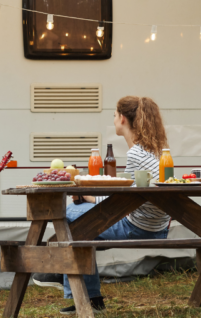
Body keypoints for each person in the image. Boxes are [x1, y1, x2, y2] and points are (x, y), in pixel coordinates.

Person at [36, 96, 171, 315]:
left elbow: (126, 201)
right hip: (157, 225)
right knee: (81, 224)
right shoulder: (153, 151)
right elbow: (131, 193)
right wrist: (92, 199)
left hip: (138, 227)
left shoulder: (135, 153)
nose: (114, 120)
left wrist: (90, 199)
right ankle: (88, 295)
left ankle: (64, 276)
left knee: (69, 215)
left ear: (124, 120)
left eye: (115, 115)